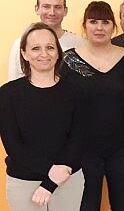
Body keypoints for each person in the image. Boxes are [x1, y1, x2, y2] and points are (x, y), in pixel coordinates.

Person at [62, 1, 124, 211]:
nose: (99, 27)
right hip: (83, 148)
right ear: (84, 25)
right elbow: (58, 103)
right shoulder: (69, 60)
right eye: (93, 21)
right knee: (86, 205)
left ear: (113, 26)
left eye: (105, 22)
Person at [0, 22, 84, 211]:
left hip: (68, 179)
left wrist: (50, 183)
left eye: (50, 47)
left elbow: (78, 140)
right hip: (23, 182)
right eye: (36, 48)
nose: (44, 54)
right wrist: (50, 171)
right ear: (24, 53)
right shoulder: (7, 94)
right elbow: (13, 145)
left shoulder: (76, 91)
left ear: (58, 52)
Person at [8, 0, 84, 81]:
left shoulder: (79, 43)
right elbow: (14, 82)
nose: (52, 12)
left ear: (65, 11)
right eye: (46, 7)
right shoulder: (21, 43)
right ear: (37, 9)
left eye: (57, 7)